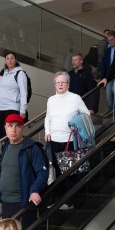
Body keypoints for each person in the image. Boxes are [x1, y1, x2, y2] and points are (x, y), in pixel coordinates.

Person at [0, 114, 48, 230]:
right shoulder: (5, 147)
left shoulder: (31, 148)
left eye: (17, 126)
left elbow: (42, 173)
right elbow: (4, 168)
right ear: (5, 128)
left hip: (23, 203)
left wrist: (35, 190)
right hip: (7, 202)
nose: (14, 130)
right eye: (10, 126)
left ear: (22, 128)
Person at [45, 71, 91, 211]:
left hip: (69, 141)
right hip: (54, 141)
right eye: (57, 82)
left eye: (62, 82)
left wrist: (75, 124)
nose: (60, 85)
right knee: (56, 172)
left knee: (69, 173)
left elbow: (86, 114)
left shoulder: (75, 98)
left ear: (68, 84)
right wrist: (47, 131)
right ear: (55, 85)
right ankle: (56, 200)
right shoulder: (51, 100)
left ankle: (69, 202)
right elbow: (48, 117)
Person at [0, 50, 29, 138]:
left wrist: (23, 109)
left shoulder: (20, 73)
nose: (10, 60)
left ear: (15, 60)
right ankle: (5, 150)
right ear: (5, 61)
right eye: (7, 58)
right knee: (1, 133)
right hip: (0, 107)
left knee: (10, 134)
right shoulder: (3, 74)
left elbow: (23, 92)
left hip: (13, 107)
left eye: (12, 58)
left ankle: (10, 150)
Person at [98, 30, 115, 118]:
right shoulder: (108, 50)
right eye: (109, 40)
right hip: (109, 76)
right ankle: (113, 115)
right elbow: (103, 65)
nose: (110, 42)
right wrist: (102, 77)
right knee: (109, 99)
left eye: (112, 39)